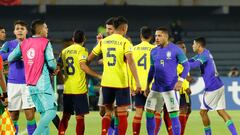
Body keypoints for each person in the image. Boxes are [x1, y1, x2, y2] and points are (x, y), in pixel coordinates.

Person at [88, 16, 141, 135]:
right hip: (121, 83)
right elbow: (131, 62)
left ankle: (104, 133)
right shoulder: (125, 42)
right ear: (123, 28)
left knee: (108, 112)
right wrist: (137, 82)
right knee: (122, 113)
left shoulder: (103, 41)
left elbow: (89, 59)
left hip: (106, 82)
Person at [8, 19, 57, 135]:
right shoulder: (45, 42)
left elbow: (10, 58)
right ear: (40, 30)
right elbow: (51, 64)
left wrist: (24, 58)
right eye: (46, 28)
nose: (47, 30)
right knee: (52, 112)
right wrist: (54, 67)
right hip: (42, 83)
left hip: (30, 85)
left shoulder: (23, 43)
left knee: (44, 113)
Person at [144, 27, 190, 135]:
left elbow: (186, 65)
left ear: (166, 36)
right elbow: (152, 70)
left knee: (173, 115)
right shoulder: (153, 51)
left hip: (170, 88)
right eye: (155, 35)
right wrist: (147, 85)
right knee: (149, 113)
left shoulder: (175, 49)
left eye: (159, 36)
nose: (156, 38)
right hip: (156, 88)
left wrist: (180, 81)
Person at [189, 37, 238, 135]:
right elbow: (191, 60)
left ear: (198, 45)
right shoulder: (205, 52)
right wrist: (181, 61)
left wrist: (179, 65)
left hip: (212, 87)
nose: (192, 45)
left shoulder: (204, 56)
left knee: (202, 113)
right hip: (219, 85)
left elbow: (194, 65)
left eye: (194, 44)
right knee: (221, 111)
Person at [58, 30, 101, 135]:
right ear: (84, 40)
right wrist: (98, 75)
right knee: (80, 117)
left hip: (67, 89)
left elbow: (57, 68)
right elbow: (83, 65)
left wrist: (63, 80)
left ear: (73, 39)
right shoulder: (82, 50)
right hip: (79, 89)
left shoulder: (64, 51)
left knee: (65, 116)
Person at [0, 20, 37, 134]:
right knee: (13, 115)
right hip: (12, 84)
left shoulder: (32, 44)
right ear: (14, 32)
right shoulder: (9, 44)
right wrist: (15, 56)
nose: (20, 30)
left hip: (29, 83)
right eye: (17, 29)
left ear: (26, 31)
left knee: (30, 114)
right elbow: (1, 55)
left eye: (22, 28)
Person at [129, 26, 154, 135]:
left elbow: (129, 68)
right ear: (151, 37)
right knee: (151, 113)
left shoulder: (133, 49)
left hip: (138, 86)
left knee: (138, 112)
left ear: (140, 36)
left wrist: (131, 86)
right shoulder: (155, 49)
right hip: (151, 87)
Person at [176, 41, 192, 135]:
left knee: (188, 110)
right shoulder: (177, 60)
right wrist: (185, 87)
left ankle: (180, 132)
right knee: (183, 110)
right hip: (180, 90)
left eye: (184, 47)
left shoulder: (184, 60)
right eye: (181, 47)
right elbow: (180, 74)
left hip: (184, 89)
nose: (183, 49)